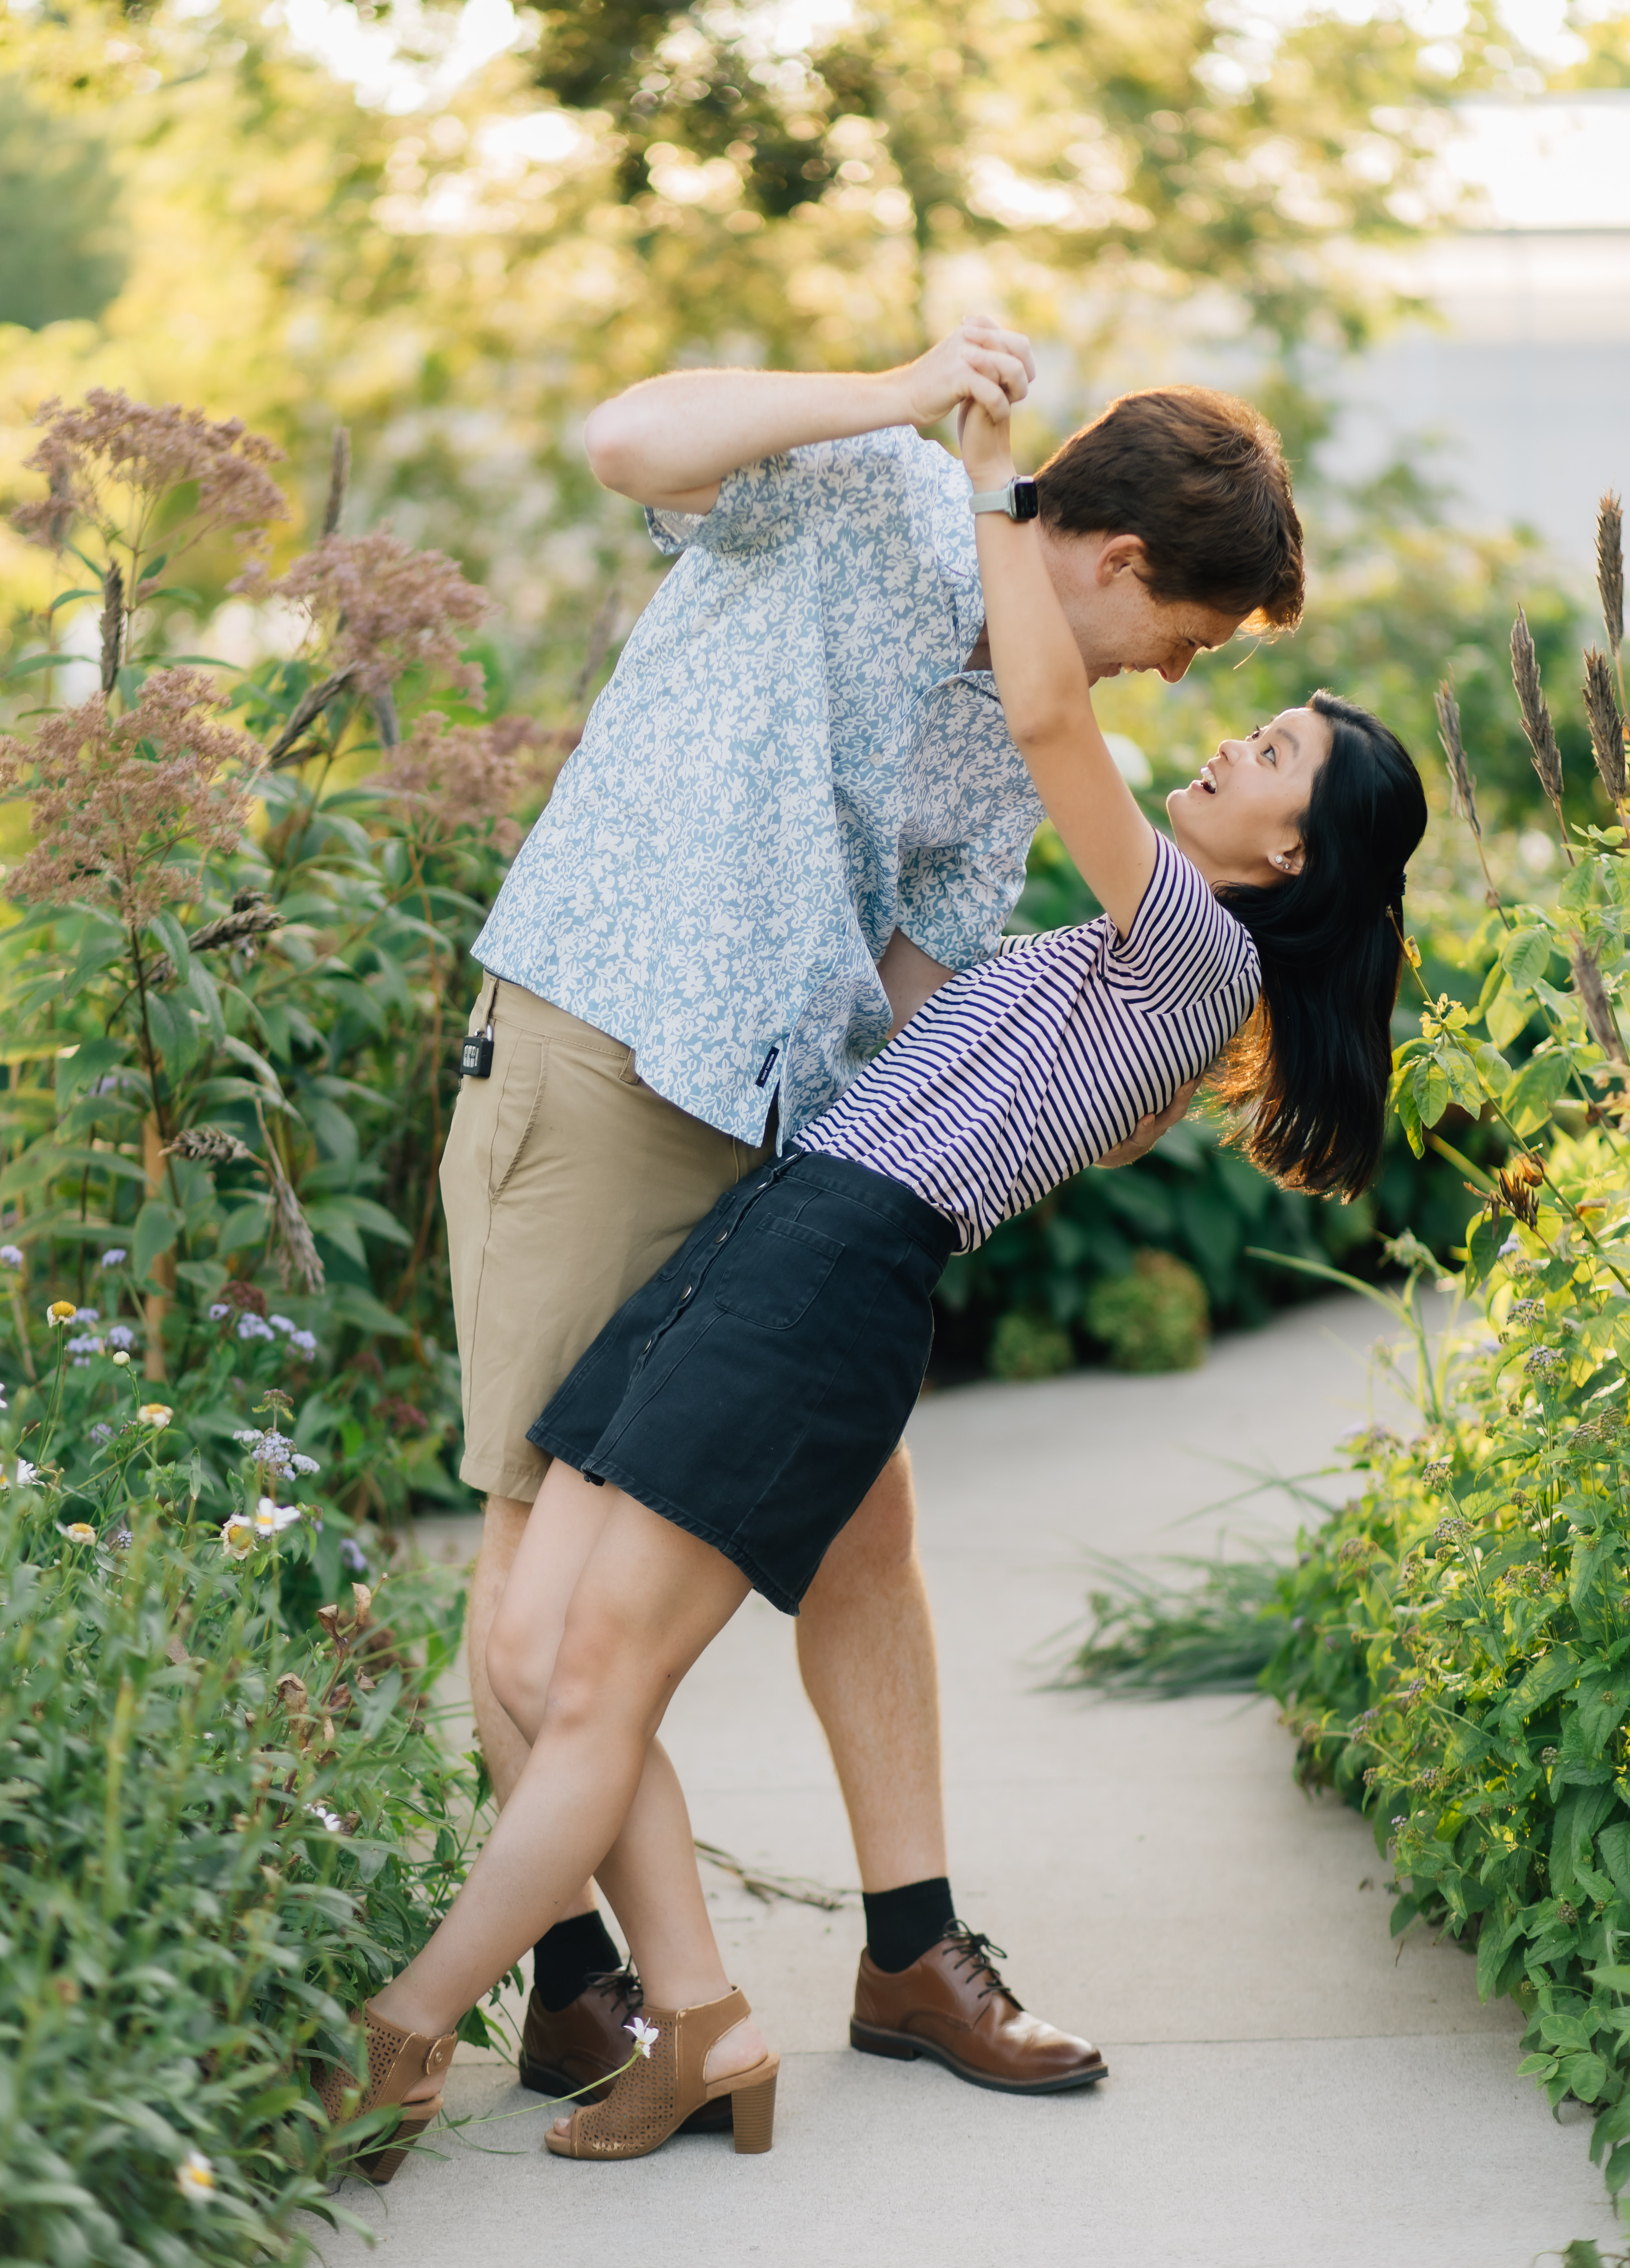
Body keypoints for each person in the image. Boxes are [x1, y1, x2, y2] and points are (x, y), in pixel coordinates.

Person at [317, 396, 1425, 2174]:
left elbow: (1045, 723)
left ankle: (437, 2028)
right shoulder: (1142, 930)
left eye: (1268, 738)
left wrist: (996, 490)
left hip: (827, 1253)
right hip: (757, 1185)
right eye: (1212, 662)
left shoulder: (1183, 942)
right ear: (1124, 556)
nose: (1206, 712)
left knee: (588, 1670)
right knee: (544, 1645)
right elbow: (932, 1020)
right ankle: (647, 2003)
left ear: (1294, 856)